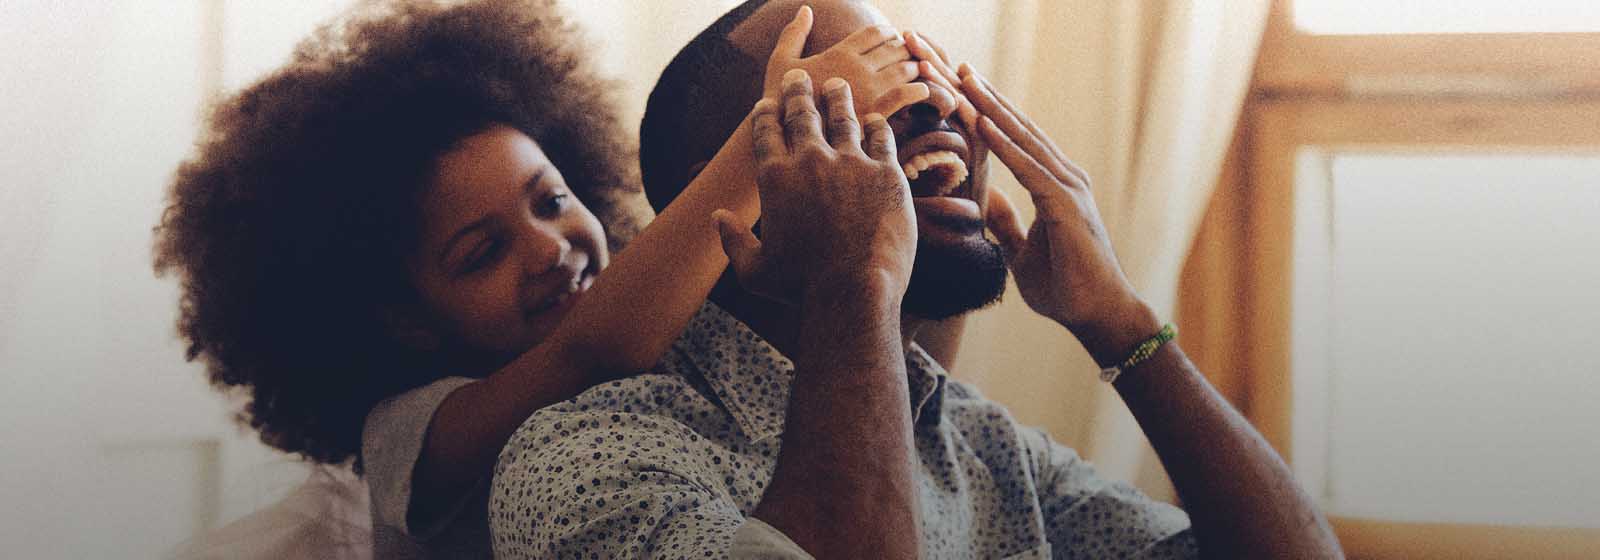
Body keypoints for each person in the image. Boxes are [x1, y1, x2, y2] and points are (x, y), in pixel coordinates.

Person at [488, 0, 1345, 558]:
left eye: (918, 75)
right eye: (845, 100)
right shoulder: (586, 461)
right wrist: (853, 280)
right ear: (725, 200)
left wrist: (1122, 325)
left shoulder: (981, 446)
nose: (932, 105)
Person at [153, 0, 931, 557]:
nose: (549, 248)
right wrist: (778, 122)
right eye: (481, 253)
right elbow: (593, 349)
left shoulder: (661, 336)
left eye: (552, 201)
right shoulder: (408, 428)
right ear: (405, 319)